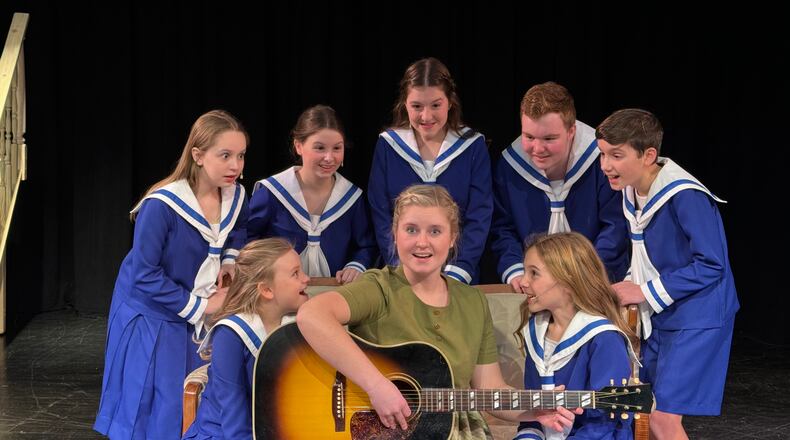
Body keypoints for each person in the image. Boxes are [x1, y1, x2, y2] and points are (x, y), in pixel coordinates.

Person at [297, 184, 580, 439]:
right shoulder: (379, 286)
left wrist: (534, 410)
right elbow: (312, 315)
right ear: (395, 234)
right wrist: (377, 386)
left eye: (435, 231)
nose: (422, 242)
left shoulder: (473, 301)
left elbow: (489, 387)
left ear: (453, 237)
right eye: (411, 230)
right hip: (386, 429)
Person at [94, 110, 250, 439]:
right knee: (150, 402)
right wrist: (203, 307)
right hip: (152, 311)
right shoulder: (162, 205)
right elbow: (144, 275)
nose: (235, 166)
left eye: (241, 156)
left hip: (192, 305)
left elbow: (238, 231)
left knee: (185, 394)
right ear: (198, 155)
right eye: (225, 156)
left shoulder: (235, 195)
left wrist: (230, 262)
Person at [596, 108, 739, 439]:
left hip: (698, 316)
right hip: (667, 314)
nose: (605, 166)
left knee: (662, 418)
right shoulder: (632, 190)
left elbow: (712, 264)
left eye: (616, 156)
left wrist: (643, 292)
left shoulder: (685, 195)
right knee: (648, 410)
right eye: (603, 154)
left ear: (649, 155)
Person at [490, 82, 628, 292]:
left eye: (549, 138)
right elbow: (502, 228)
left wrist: (584, 274)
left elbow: (615, 226)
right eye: (529, 137)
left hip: (597, 282)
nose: (537, 148)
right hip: (533, 287)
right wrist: (516, 271)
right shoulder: (510, 166)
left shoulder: (600, 161)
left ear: (571, 130)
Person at [368, 57, 492, 284]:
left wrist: (459, 270)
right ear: (404, 104)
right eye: (417, 106)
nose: (426, 116)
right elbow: (381, 213)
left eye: (436, 105)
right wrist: (402, 266)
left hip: (458, 274)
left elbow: (479, 215)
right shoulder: (388, 146)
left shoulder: (472, 146)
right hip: (401, 273)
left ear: (450, 102)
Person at [183, 238, 310, 439]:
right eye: (296, 273)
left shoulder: (299, 326)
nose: (307, 278)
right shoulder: (230, 334)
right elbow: (234, 419)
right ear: (266, 290)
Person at [514, 232, 635, 440]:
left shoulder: (604, 339)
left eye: (534, 273)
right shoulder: (535, 332)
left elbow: (604, 423)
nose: (523, 281)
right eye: (524, 271)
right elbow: (534, 411)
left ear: (568, 281)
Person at [248, 105, 376, 284]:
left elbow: (366, 245)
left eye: (337, 148)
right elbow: (248, 239)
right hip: (277, 296)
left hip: (332, 295)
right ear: (299, 146)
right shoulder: (273, 193)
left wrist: (356, 265)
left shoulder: (352, 199)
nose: (329, 157)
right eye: (320, 148)